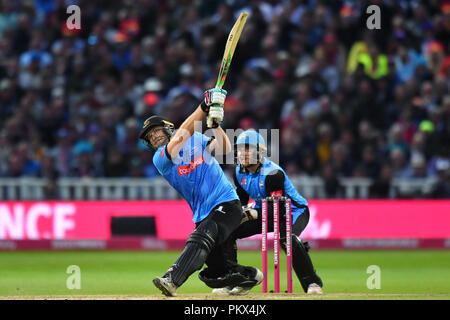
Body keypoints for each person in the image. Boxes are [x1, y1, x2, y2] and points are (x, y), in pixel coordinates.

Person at [139, 88, 263, 297]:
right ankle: (250, 275)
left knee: (201, 235)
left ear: (168, 128)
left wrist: (215, 126)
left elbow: (224, 148)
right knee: (217, 273)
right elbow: (179, 138)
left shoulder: (195, 138)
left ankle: (172, 279)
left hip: (227, 203)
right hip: (202, 213)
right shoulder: (160, 158)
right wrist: (203, 108)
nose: (154, 137)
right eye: (150, 137)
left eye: (156, 131)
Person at [215, 129, 323, 295]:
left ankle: (313, 283)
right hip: (264, 209)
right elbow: (241, 199)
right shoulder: (238, 172)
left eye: (247, 148)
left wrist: (254, 213)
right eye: (240, 149)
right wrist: (236, 215)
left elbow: (278, 211)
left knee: (287, 239)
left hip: (292, 210)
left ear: (259, 151)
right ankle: (234, 279)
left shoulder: (273, 174)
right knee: (228, 232)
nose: (242, 153)